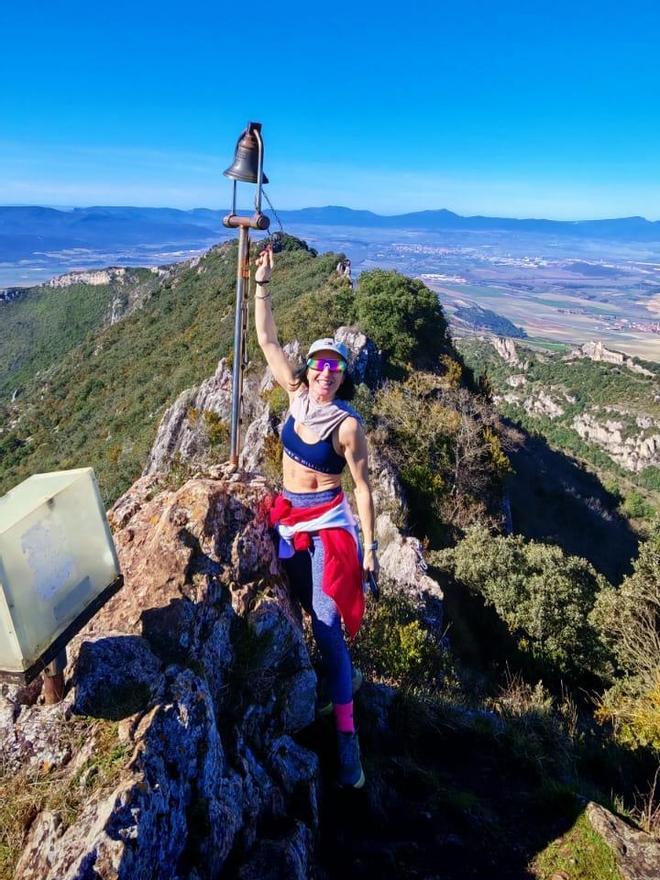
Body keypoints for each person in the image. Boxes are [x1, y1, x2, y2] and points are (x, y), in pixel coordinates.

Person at [254, 244, 379, 789]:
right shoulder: (294, 393)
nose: (325, 372)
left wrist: (370, 549)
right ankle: (308, 699)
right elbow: (265, 339)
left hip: (326, 523)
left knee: (328, 627)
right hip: (286, 519)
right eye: (319, 363)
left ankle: (347, 740)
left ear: (344, 376)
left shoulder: (348, 426)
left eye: (335, 367)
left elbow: (365, 488)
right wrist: (261, 283)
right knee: (294, 609)